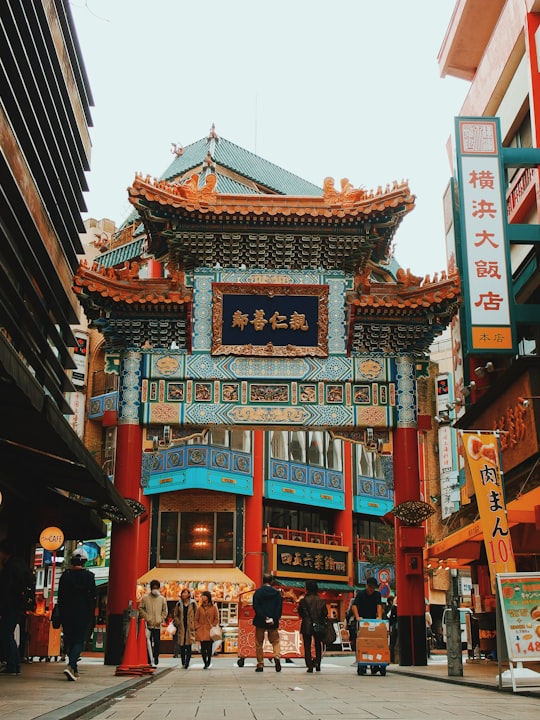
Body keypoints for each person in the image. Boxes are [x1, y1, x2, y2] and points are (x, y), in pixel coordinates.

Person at [57, 547, 97, 681]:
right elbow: (93, 596)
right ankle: (71, 665)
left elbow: (60, 596)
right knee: (79, 640)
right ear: (84, 562)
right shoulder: (89, 577)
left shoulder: (65, 576)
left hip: (67, 613)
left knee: (70, 639)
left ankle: (74, 669)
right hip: (83, 613)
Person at [0, 540, 34, 676]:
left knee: (6, 634)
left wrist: (2, 608)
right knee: (9, 633)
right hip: (18, 605)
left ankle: (13, 665)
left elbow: (7, 590)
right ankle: (14, 664)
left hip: (10, 605)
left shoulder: (10, 567)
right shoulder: (20, 564)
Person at [351, 577, 383, 675]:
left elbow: (379, 606)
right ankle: (362, 664)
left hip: (373, 621)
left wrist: (380, 618)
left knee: (375, 642)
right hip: (362, 621)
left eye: (373, 587)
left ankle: (375, 664)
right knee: (362, 642)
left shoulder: (377, 595)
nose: (371, 589)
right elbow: (354, 606)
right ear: (366, 586)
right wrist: (357, 617)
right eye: (370, 587)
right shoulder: (361, 594)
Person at [252, 573, 282, 673]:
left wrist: (264, 617)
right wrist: (274, 618)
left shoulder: (258, 593)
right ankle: (277, 657)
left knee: (259, 643)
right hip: (273, 622)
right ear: (272, 581)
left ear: (262, 580)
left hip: (260, 621)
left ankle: (260, 664)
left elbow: (256, 606)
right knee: (275, 641)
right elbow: (279, 608)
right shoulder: (277, 593)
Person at [298, 579, 328, 673]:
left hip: (307, 624)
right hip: (319, 624)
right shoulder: (321, 601)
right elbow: (325, 613)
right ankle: (318, 663)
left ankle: (309, 665)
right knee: (318, 644)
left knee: (307, 645)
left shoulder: (303, 600)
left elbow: (301, 612)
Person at [138, 579, 167, 667]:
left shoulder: (162, 599)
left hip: (157, 624)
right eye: (153, 587)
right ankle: (148, 658)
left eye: (156, 588)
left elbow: (164, 611)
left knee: (157, 642)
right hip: (148, 624)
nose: (155, 589)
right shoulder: (145, 598)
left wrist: (161, 619)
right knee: (148, 642)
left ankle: (156, 656)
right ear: (150, 588)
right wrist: (147, 617)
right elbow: (141, 608)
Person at [195, 590, 219, 669]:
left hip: (210, 630)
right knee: (203, 647)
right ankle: (205, 661)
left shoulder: (213, 608)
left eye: (204, 595)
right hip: (201, 630)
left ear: (208, 597)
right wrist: (197, 627)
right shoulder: (199, 608)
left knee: (209, 647)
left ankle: (209, 660)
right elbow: (196, 619)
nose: (202, 597)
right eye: (202, 596)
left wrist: (213, 625)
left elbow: (216, 618)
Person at [173, 588, 196, 668]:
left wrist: (194, 624)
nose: (183, 594)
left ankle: (187, 662)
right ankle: (183, 661)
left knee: (189, 645)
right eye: (182, 593)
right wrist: (178, 622)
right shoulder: (178, 604)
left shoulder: (193, 603)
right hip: (182, 626)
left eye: (185, 593)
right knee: (182, 645)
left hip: (190, 626)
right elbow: (175, 615)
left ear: (189, 595)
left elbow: (196, 614)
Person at [387, 595, 398, 663]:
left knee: (392, 643)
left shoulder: (393, 608)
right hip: (397, 626)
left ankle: (392, 659)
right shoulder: (394, 607)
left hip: (394, 627)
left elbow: (390, 618)